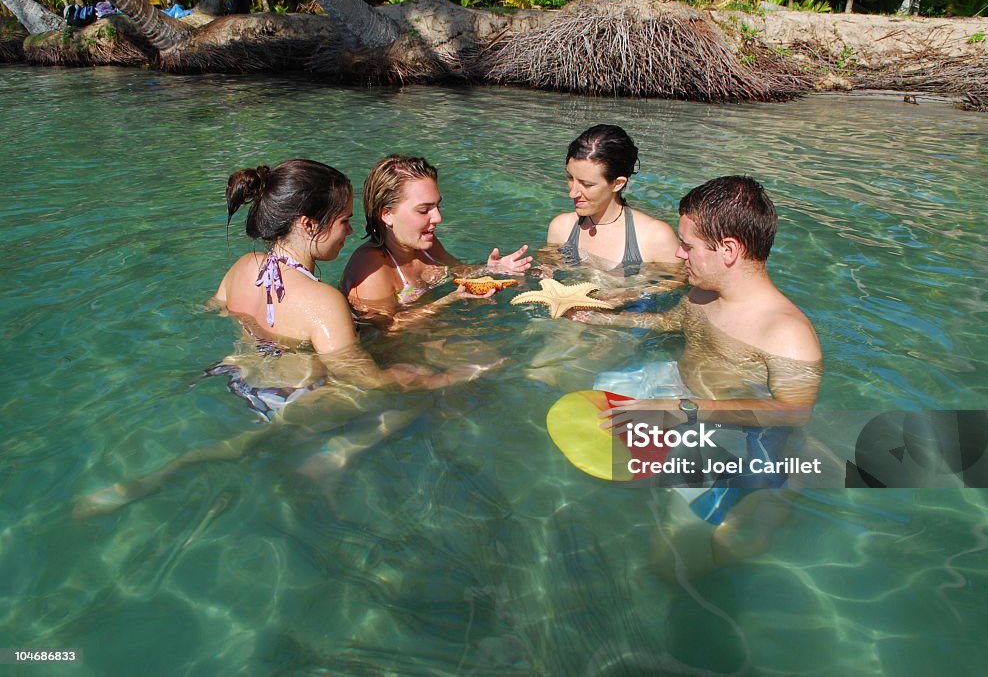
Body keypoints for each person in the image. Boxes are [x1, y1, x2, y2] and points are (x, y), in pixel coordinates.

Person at [73, 159, 497, 518]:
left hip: (235, 376)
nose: (351, 232)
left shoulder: (244, 265)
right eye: (345, 220)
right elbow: (365, 381)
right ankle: (332, 459)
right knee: (409, 381)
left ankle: (144, 481)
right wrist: (446, 378)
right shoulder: (322, 301)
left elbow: (210, 310)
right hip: (288, 398)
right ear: (310, 225)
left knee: (231, 448)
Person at [593, 176, 823, 578]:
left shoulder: (785, 333)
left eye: (689, 246)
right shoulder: (702, 292)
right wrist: (596, 317)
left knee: (670, 564)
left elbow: (792, 413)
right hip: (677, 388)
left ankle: (777, 496)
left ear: (729, 250)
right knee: (595, 397)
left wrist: (682, 410)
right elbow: (670, 322)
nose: (680, 255)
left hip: (723, 424)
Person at [343, 154, 533, 329]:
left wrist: (491, 269)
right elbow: (383, 330)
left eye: (437, 206)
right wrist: (447, 300)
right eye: (424, 210)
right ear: (387, 214)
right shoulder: (370, 269)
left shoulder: (427, 245)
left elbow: (459, 271)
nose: (438, 217)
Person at [547, 125, 681, 272]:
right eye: (570, 178)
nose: (572, 193)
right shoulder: (561, 228)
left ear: (618, 184)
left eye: (586, 184)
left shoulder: (656, 237)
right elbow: (549, 272)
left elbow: (674, 286)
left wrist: (626, 292)